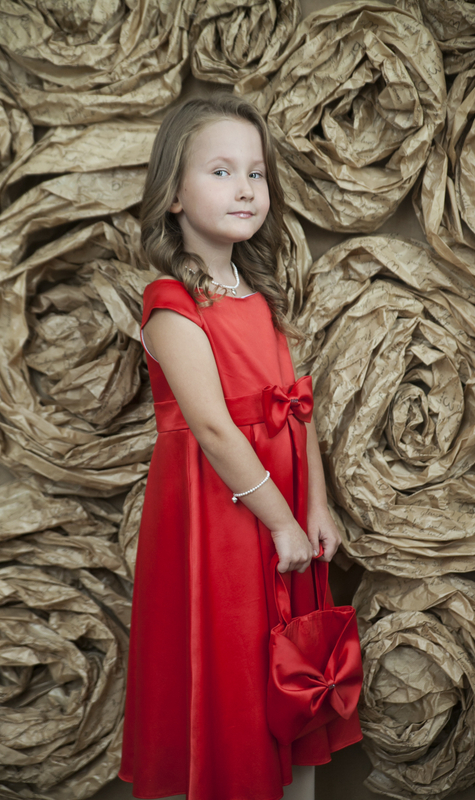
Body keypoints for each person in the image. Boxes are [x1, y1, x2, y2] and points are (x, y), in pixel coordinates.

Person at [119, 94, 362, 800]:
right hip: (220, 519)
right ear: (173, 194)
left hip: (283, 512)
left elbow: (296, 409)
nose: (245, 188)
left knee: (291, 673)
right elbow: (216, 430)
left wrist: (315, 508)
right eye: (221, 171)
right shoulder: (170, 303)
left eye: (255, 173)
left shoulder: (258, 294)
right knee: (233, 664)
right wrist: (281, 521)